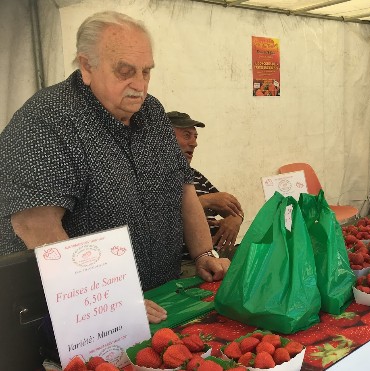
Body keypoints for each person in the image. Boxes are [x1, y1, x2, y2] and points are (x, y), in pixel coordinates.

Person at [0, 11, 229, 324]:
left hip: (161, 294)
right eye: (125, 72)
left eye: (146, 72)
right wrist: (109, 301)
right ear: (86, 66)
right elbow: (35, 226)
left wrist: (204, 253)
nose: (139, 85)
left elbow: (183, 186)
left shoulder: (152, 111)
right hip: (78, 316)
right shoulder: (48, 120)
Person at [167, 111, 244, 256]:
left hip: (217, 253)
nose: (194, 143)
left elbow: (230, 207)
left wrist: (235, 219)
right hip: (188, 261)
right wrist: (205, 201)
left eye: (195, 137)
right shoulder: (152, 178)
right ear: (164, 138)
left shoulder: (195, 176)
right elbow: (161, 218)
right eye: (186, 135)